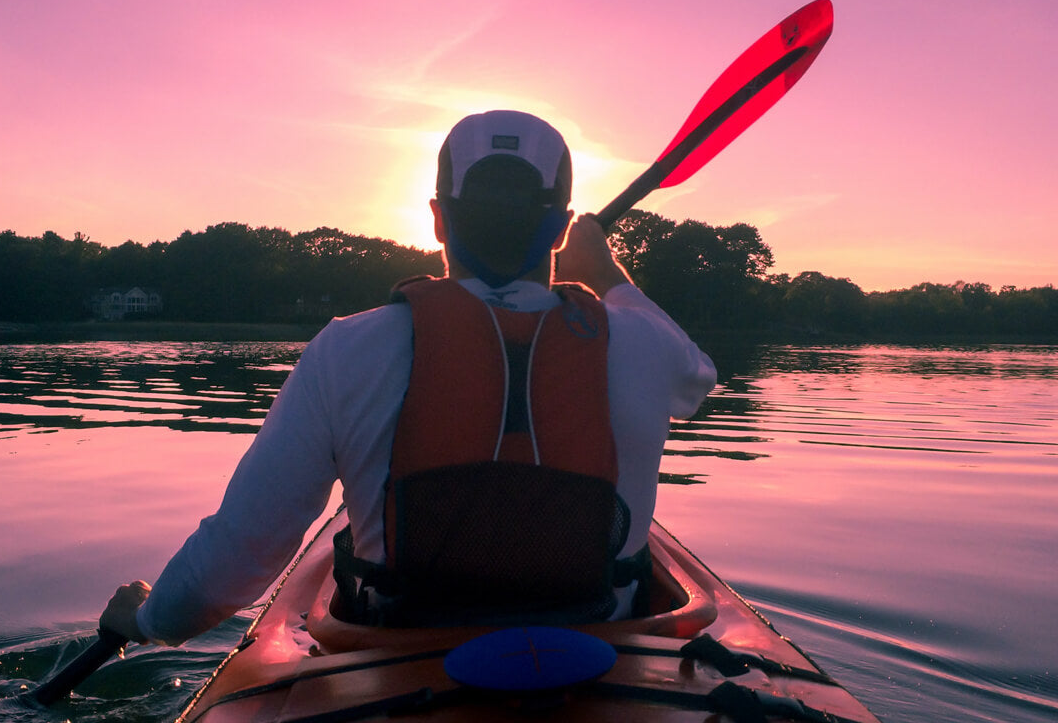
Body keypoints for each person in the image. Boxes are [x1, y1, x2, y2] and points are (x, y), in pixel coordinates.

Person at [100, 110, 716, 642]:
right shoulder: (642, 344)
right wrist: (606, 272)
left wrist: (148, 620)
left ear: (438, 219)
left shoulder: (347, 349)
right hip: (603, 659)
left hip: (402, 660)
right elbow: (699, 379)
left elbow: (237, 557)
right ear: (559, 228)